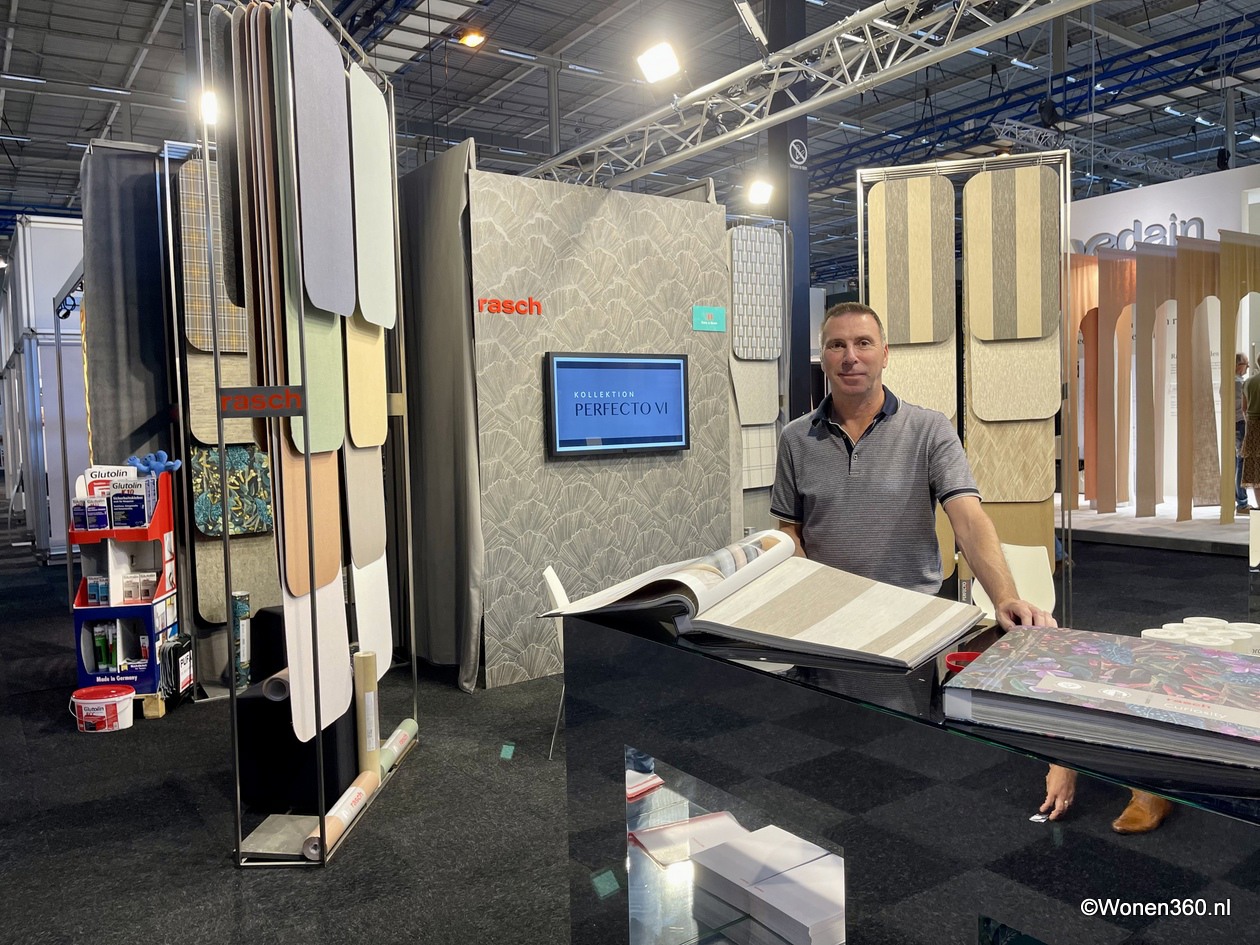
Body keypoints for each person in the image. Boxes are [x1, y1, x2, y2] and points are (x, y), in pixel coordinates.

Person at [770, 302, 1162, 830]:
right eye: (837, 345)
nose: (850, 356)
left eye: (863, 343)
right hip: (825, 628)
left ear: (885, 354)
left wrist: (1004, 596)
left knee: (901, 764)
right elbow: (792, 530)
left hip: (905, 626)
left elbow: (969, 519)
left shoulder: (928, 429)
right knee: (819, 760)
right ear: (823, 356)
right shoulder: (796, 439)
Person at [1236, 353, 1249, 513]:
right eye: (1246, 364)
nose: (1248, 367)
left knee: (1237, 461)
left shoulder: (1230, 382)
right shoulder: (1240, 383)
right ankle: (1242, 502)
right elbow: (1245, 408)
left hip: (1234, 423)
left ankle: (1240, 501)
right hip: (1240, 423)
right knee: (1241, 461)